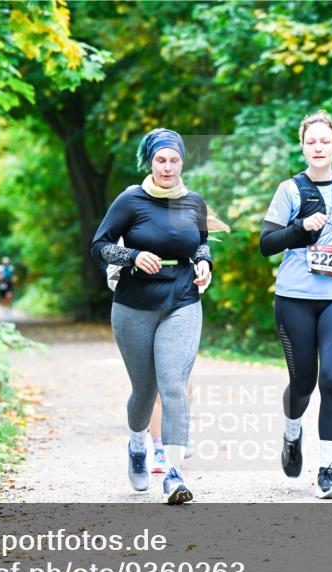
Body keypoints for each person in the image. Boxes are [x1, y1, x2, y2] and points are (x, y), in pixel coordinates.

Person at [259, 110, 332, 500]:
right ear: (302, 146)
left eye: (324, 141)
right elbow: (266, 244)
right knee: (304, 381)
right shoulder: (289, 190)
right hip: (295, 296)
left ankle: (328, 472)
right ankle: (292, 434)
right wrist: (299, 228)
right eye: (311, 141)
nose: (318, 147)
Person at [91, 128, 212, 504]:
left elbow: (201, 241)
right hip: (134, 303)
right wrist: (132, 256)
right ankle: (137, 443)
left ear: (182, 162)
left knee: (173, 384)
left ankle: (174, 475)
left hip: (183, 298)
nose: (168, 167)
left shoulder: (193, 202)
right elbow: (100, 245)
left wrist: (205, 262)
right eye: (161, 160)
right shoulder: (131, 200)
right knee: (145, 391)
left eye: (174, 160)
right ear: (151, 161)